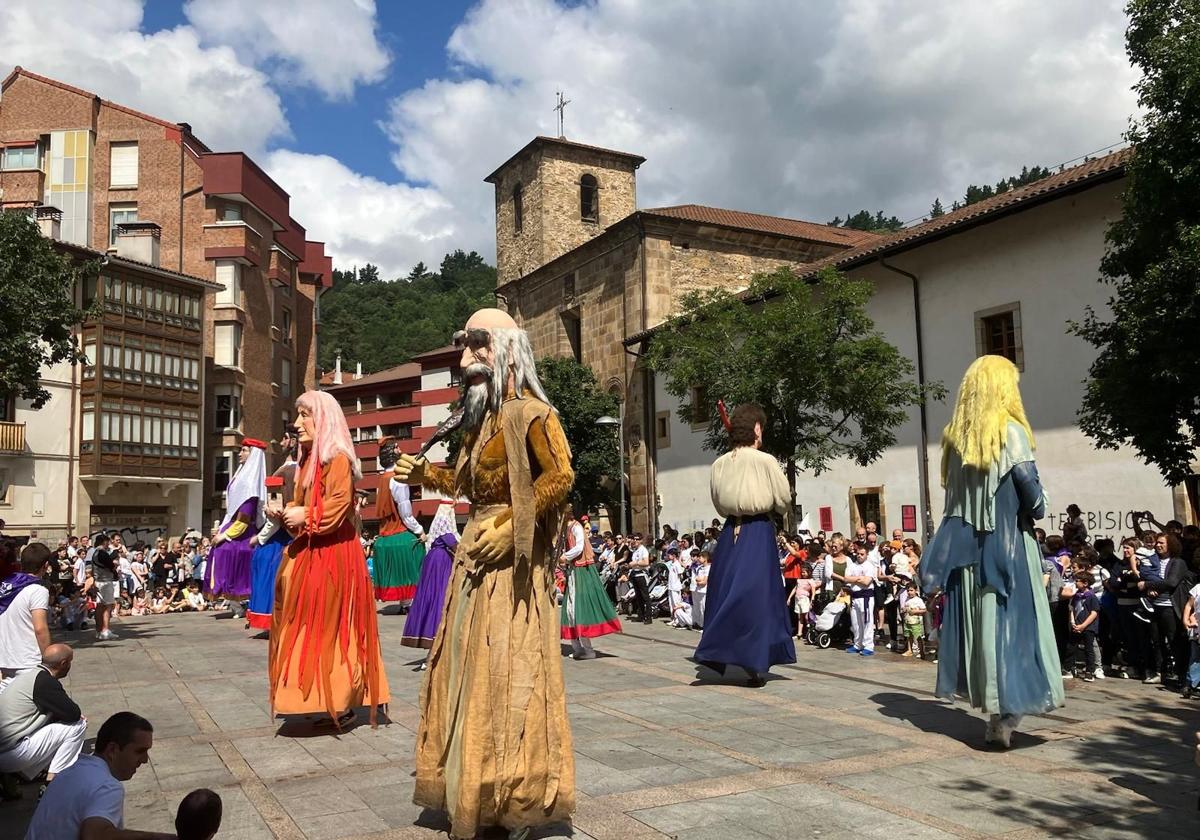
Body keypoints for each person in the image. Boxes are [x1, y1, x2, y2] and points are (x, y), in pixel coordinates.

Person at [392, 308, 575, 840]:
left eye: (478, 346)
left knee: (509, 672)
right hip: (474, 557)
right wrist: (425, 471)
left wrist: (517, 523)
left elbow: (561, 476)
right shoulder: (479, 422)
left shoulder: (532, 413)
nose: (467, 359)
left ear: (507, 349)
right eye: (464, 349)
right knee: (469, 676)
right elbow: (470, 484)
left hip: (512, 562)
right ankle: (476, 786)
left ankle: (511, 790)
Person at [921, 355, 1062, 750]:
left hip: (968, 557)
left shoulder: (956, 440)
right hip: (1010, 547)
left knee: (983, 630)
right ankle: (1007, 712)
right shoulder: (1011, 432)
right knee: (1015, 630)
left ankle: (996, 711)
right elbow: (1033, 498)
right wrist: (1040, 501)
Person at [269, 391, 390, 730]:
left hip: (335, 554)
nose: (296, 424)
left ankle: (341, 700)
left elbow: (335, 510)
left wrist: (302, 515)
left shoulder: (337, 458)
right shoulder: (308, 459)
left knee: (333, 625)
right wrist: (285, 515)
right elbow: (306, 510)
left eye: (304, 415)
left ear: (322, 418)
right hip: (313, 549)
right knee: (310, 622)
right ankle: (319, 697)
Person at [693, 403, 796, 688]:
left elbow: (717, 502)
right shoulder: (765, 461)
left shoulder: (719, 464)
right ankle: (753, 659)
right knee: (757, 595)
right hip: (759, 529)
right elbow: (783, 498)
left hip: (729, 533)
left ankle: (726, 650)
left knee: (725, 590)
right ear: (757, 429)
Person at [24, 711, 174, 840]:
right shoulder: (107, 786)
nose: (145, 760)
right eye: (139, 751)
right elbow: (94, 836)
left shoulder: (69, 772)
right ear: (113, 750)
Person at [0, 644, 85, 785]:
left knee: (57, 724)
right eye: (70, 662)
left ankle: (23, 775)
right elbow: (74, 714)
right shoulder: (45, 682)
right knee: (78, 726)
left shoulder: (31, 675)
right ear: (63, 664)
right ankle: (54, 782)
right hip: (11, 754)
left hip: (6, 748)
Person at [247, 428, 300, 632]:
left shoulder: (283, 471)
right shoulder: (301, 470)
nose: (280, 441)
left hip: (280, 538)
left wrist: (259, 538)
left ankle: (273, 621)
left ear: (292, 441)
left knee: (271, 575)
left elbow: (274, 515)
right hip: (295, 533)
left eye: (285, 438)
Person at [206, 439, 268, 604]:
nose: (240, 453)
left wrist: (224, 536)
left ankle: (240, 595)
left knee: (225, 550)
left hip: (243, 532)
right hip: (233, 525)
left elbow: (243, 520)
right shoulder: (240, 478)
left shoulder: (250, 485)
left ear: (253, 455)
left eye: (244, 450)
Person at [401, 503, 461, 666]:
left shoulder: (439, 527)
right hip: (440, 563)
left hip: (434, 562)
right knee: (440, 598)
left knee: (434, 598)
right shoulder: (444, 525)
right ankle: (435, 649)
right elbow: (454, 544)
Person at [370, 437, 426, 608]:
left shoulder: (382, 479)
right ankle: (410, 602)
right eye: (396, 447)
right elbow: (405, 513)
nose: (400, 449)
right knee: (419, 550)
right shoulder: (398, 478)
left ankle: (405, 602)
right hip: (399, 533)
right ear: (392, 452)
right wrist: (420, 530)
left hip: (384, 536)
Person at [559, 511, 621, 659]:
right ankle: (578, 647)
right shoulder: (566, 529)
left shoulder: (576, 527)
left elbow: (579, 547)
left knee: (580, 608)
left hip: (582, 570)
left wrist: (565, 556)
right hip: (573, 571)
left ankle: (588, 650)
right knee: (570, 610)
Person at [0, 541, 51, 693]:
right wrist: (48, 657)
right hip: (29, 659)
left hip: (6, 657)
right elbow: (40, 628)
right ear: (46, 565)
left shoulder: (4, 586)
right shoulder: (37, 590)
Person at [843, 544, 879, 656]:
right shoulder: (852, 565)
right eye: (858, 554)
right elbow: (846, 578)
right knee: (856, 622)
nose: (859, 556)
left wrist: (854, 579)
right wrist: (859, 578)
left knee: (867, 621)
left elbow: (866, 582)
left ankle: (868, 646)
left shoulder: (869, 566)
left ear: (867, 555)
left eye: (862, 554)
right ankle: (857, 644)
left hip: (866, 597)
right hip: (855, 596)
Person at [1067, 572, 1101, 681]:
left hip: (1088, 627)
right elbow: (1071, 609)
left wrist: (1083, 625)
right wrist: (1072, 621)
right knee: (1071, 647)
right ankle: (1069, 669)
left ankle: (1089, 671)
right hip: (1076, 625)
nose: (1076, 583)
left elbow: (1094, 613)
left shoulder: (1092, 597)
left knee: (1088, 649)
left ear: (1085, 583)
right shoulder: (1076, 596)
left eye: (1078, 581)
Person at [626, 533, 653, 624]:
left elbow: (646, 562)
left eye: (637, 539)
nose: (635, 541)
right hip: (635, 574)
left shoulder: (643, 550)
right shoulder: (635, 550)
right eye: (634, 539)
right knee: (638, 596)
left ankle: (648, 617)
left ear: (641, 540)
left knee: (645, 596)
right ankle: (641, 615)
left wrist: (635, 563)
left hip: (641, 574)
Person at [900, 582, 927, 657]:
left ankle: (922, 652)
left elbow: (924, 610)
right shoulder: (907, 599)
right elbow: (905, 608)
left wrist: (915, 611)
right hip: (908, 621)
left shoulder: (918, 600)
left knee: (918, 636)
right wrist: (904, 610)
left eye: (911, 590)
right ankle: (909, 650)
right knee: (909, 636)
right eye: (908, 591)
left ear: (916, 590)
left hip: (916, 622)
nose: (909, 592)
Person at [692, 550, 710, 630]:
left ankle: (704, 626)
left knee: (703, 608)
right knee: (699, 607)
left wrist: (700, 581)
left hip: (704, 591)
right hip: (698, 590)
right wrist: (699, 580)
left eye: (700, 557)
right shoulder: (700, 568)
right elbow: (697, 578)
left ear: (705, 558)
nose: (699, 559)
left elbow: (704, 581)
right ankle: (699, 624)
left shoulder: (708, 568)